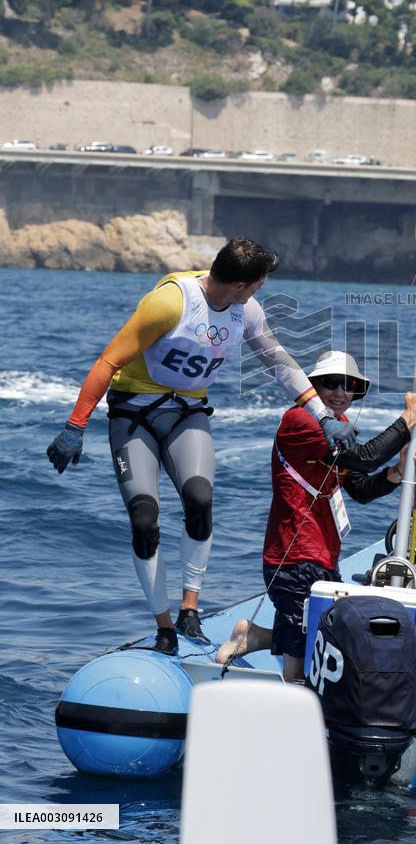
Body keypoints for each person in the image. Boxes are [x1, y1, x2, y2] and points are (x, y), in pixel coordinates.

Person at [46, 239, 356, 655]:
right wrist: (75, 425)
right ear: (243, 283)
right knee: (144, 519)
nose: (260, 292)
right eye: (260, 284)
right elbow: (108, 362)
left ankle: (190, 608)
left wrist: (321, 415)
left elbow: (280, 363)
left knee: (199, 499)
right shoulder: (170, 303)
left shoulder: (246, 311)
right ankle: (163, 626)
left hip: (187, 411)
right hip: (132, 413)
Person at [215, 350, 416, 679]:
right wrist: (408, 419)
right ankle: (293, 708)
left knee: (325, 635)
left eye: (348, 385)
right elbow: (363, 457)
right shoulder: (301, 420)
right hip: (293, 559)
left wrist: (397, 470)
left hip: (323, 557)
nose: (340, 392)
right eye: (329, 384)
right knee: (304, 660)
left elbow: (360, 487)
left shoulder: (341, 426)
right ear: (312, 388)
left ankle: (255, 636)